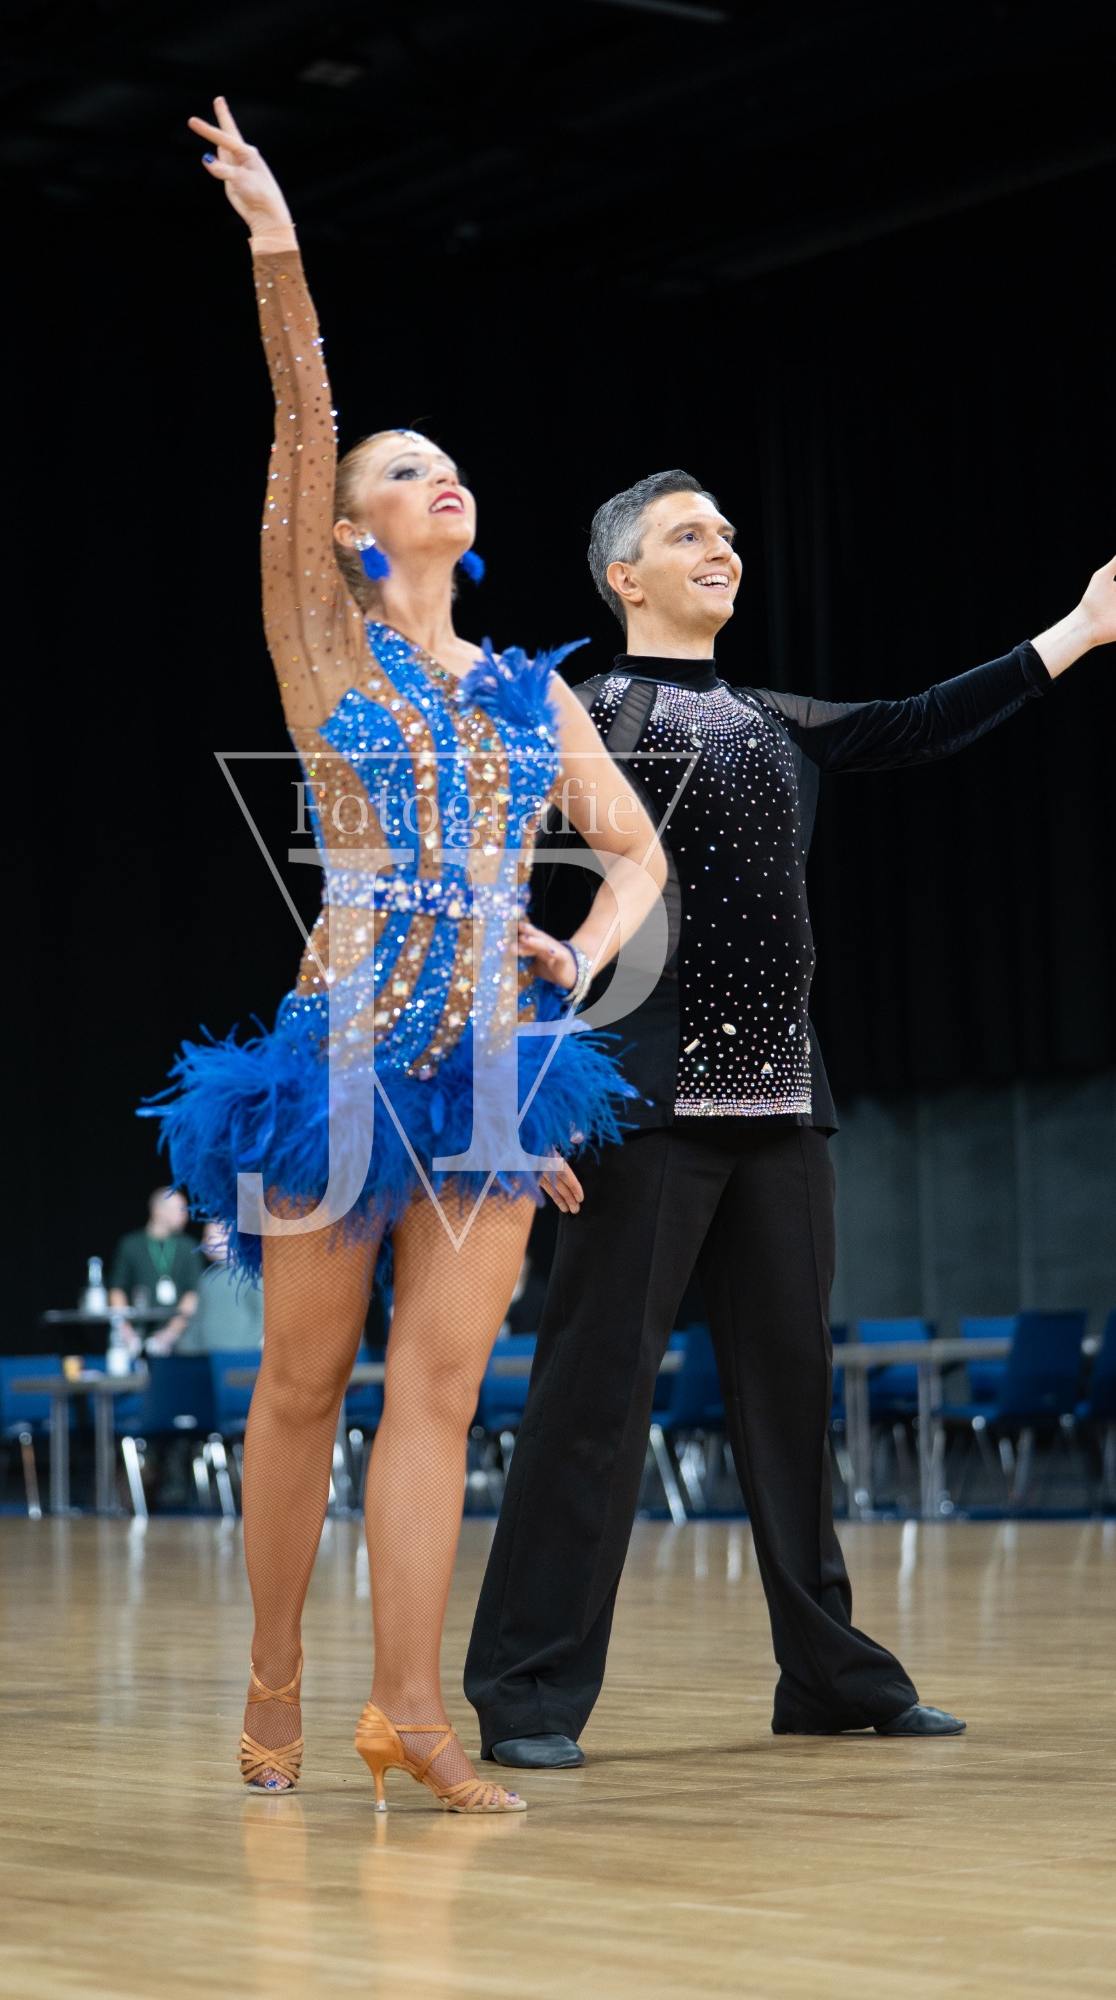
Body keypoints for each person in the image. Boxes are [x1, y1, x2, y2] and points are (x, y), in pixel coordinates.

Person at [143, 99, 667, 1814]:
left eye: (445, 461)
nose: (434, 473)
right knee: (304, 1384)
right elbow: (301, 427)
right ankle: (273, 1678)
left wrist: (576, 950)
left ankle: (409, 1712)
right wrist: (278, 251)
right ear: (352, 532)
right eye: (399, 467)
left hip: (494, 1074)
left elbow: (636, 852)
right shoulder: (327, 649)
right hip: (339, 1060)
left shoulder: (532, 692)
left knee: (441, 1395)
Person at [465, 469, 1116, 1766]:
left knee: (788, 1399)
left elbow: (921, 722)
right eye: (686, 533)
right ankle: (526, 1690)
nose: (721, 546)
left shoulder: (773, 717)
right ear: (624, 577)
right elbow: (503, 900)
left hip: (780, 1098)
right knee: (593, 1398)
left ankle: (826, 1674)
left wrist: (1082, 629)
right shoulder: (583, 712)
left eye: (725, 530)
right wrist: (513, 1096)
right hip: (638, 1100)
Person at [109, 1187, 202, 1357]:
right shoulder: (130, 1245)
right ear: (158, 1211)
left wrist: (170, 1333)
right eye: (179, 1210)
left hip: (179, 1338)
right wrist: (126, 1331)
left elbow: (192, 1294)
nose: (185, 1215)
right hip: (137, 1334)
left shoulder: (188, 1247)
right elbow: (117, 1289)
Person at [179, 1220, 265, 1353]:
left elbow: (263, 1316)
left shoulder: (250, 1275)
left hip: (241, 1356)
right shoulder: (206, 1279)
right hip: (208, 1356)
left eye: (210, 1236)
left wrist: (249, 1348)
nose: (204, 1242)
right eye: (205, 1237)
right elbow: (197, 1320)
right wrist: (185, 1347)